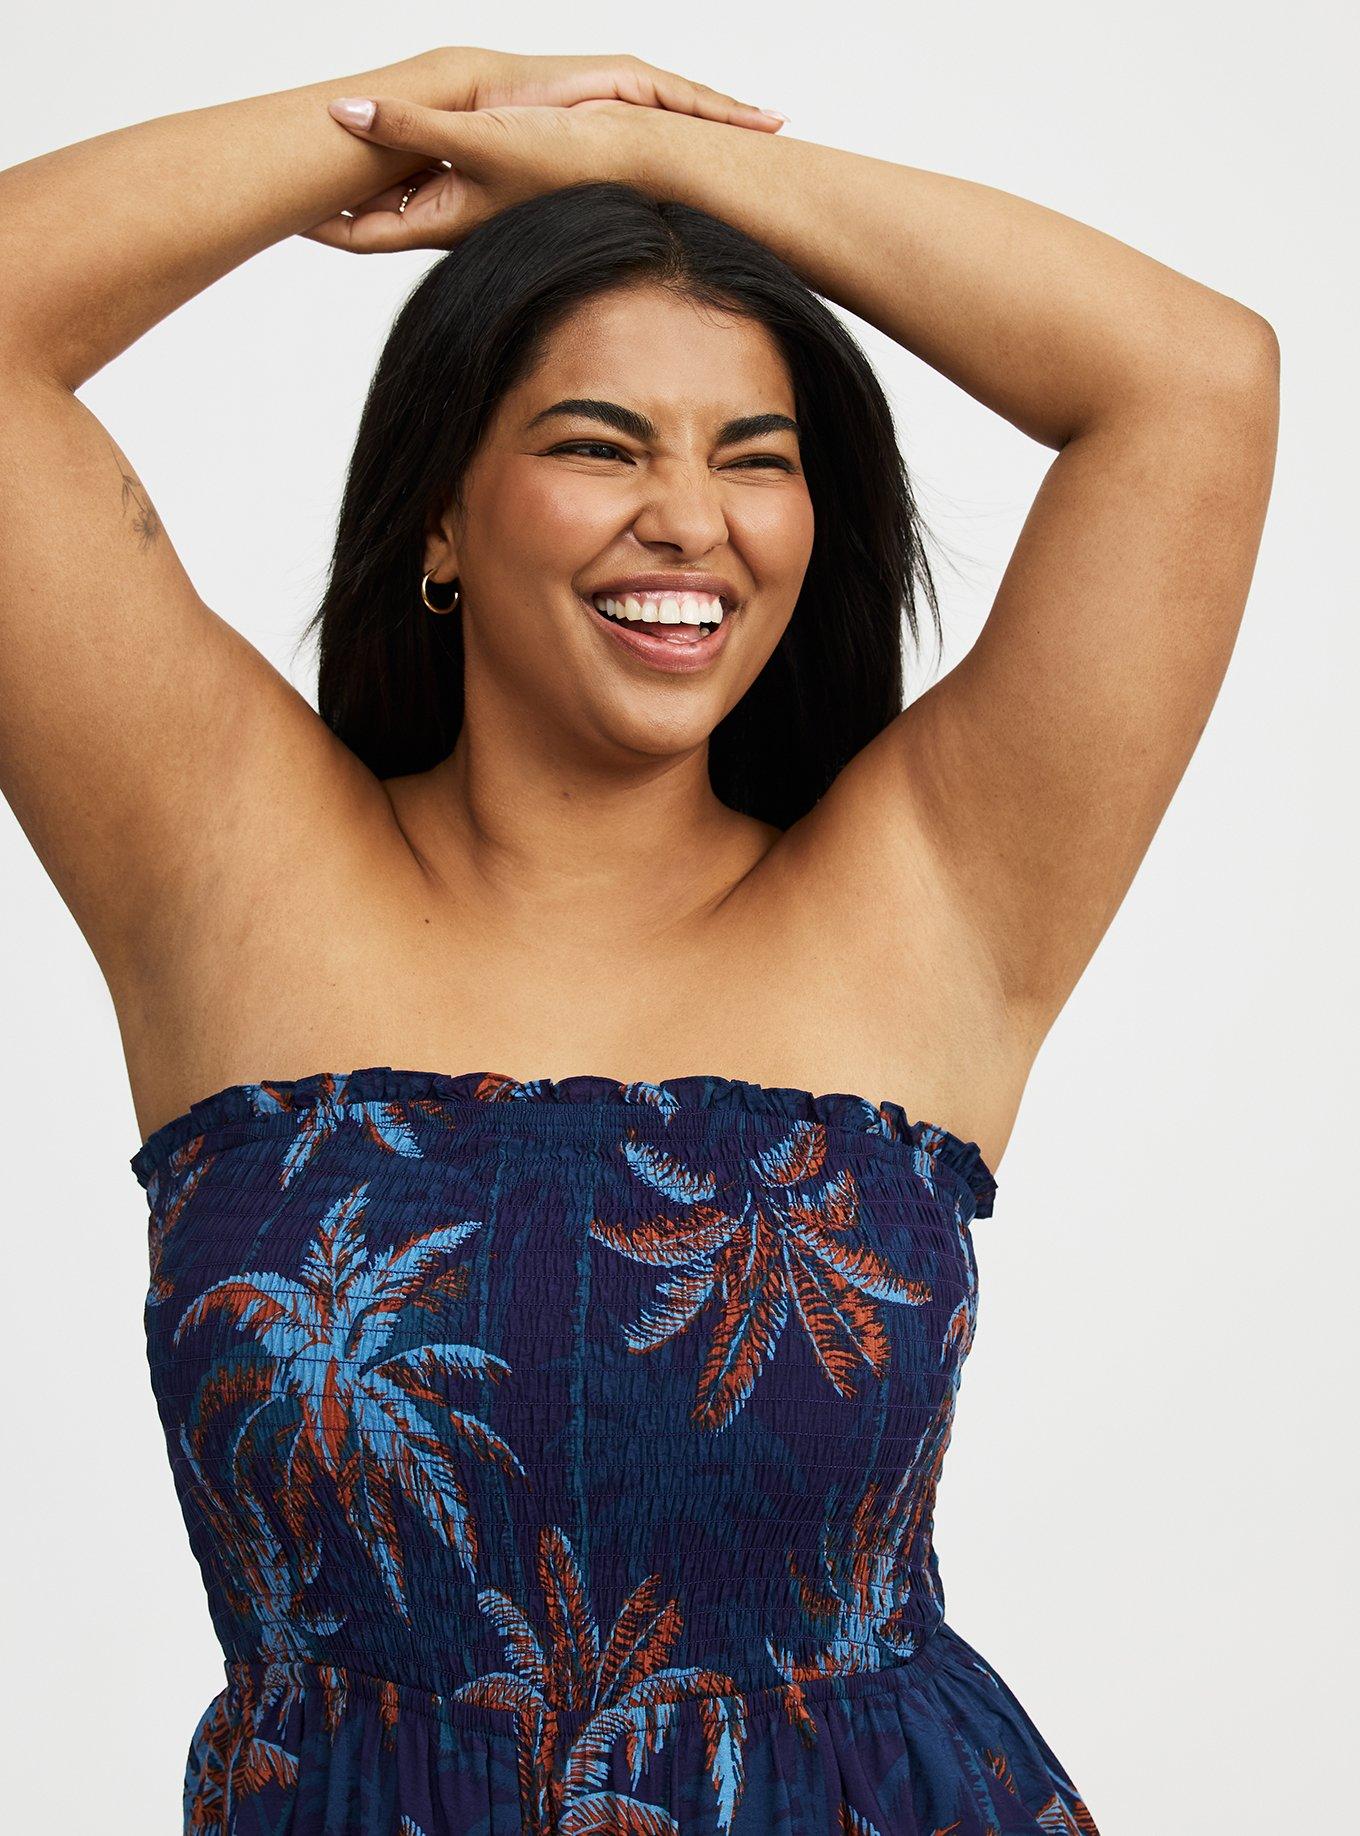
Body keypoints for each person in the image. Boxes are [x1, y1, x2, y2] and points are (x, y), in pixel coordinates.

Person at [0, 43, 1277, 1836]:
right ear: (441, 515)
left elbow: (1197, 379)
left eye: (757, 459)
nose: (691, 520)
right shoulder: (225, 861)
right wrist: (430, 102)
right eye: (601, 445)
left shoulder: (931, 887)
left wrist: (649, 167)